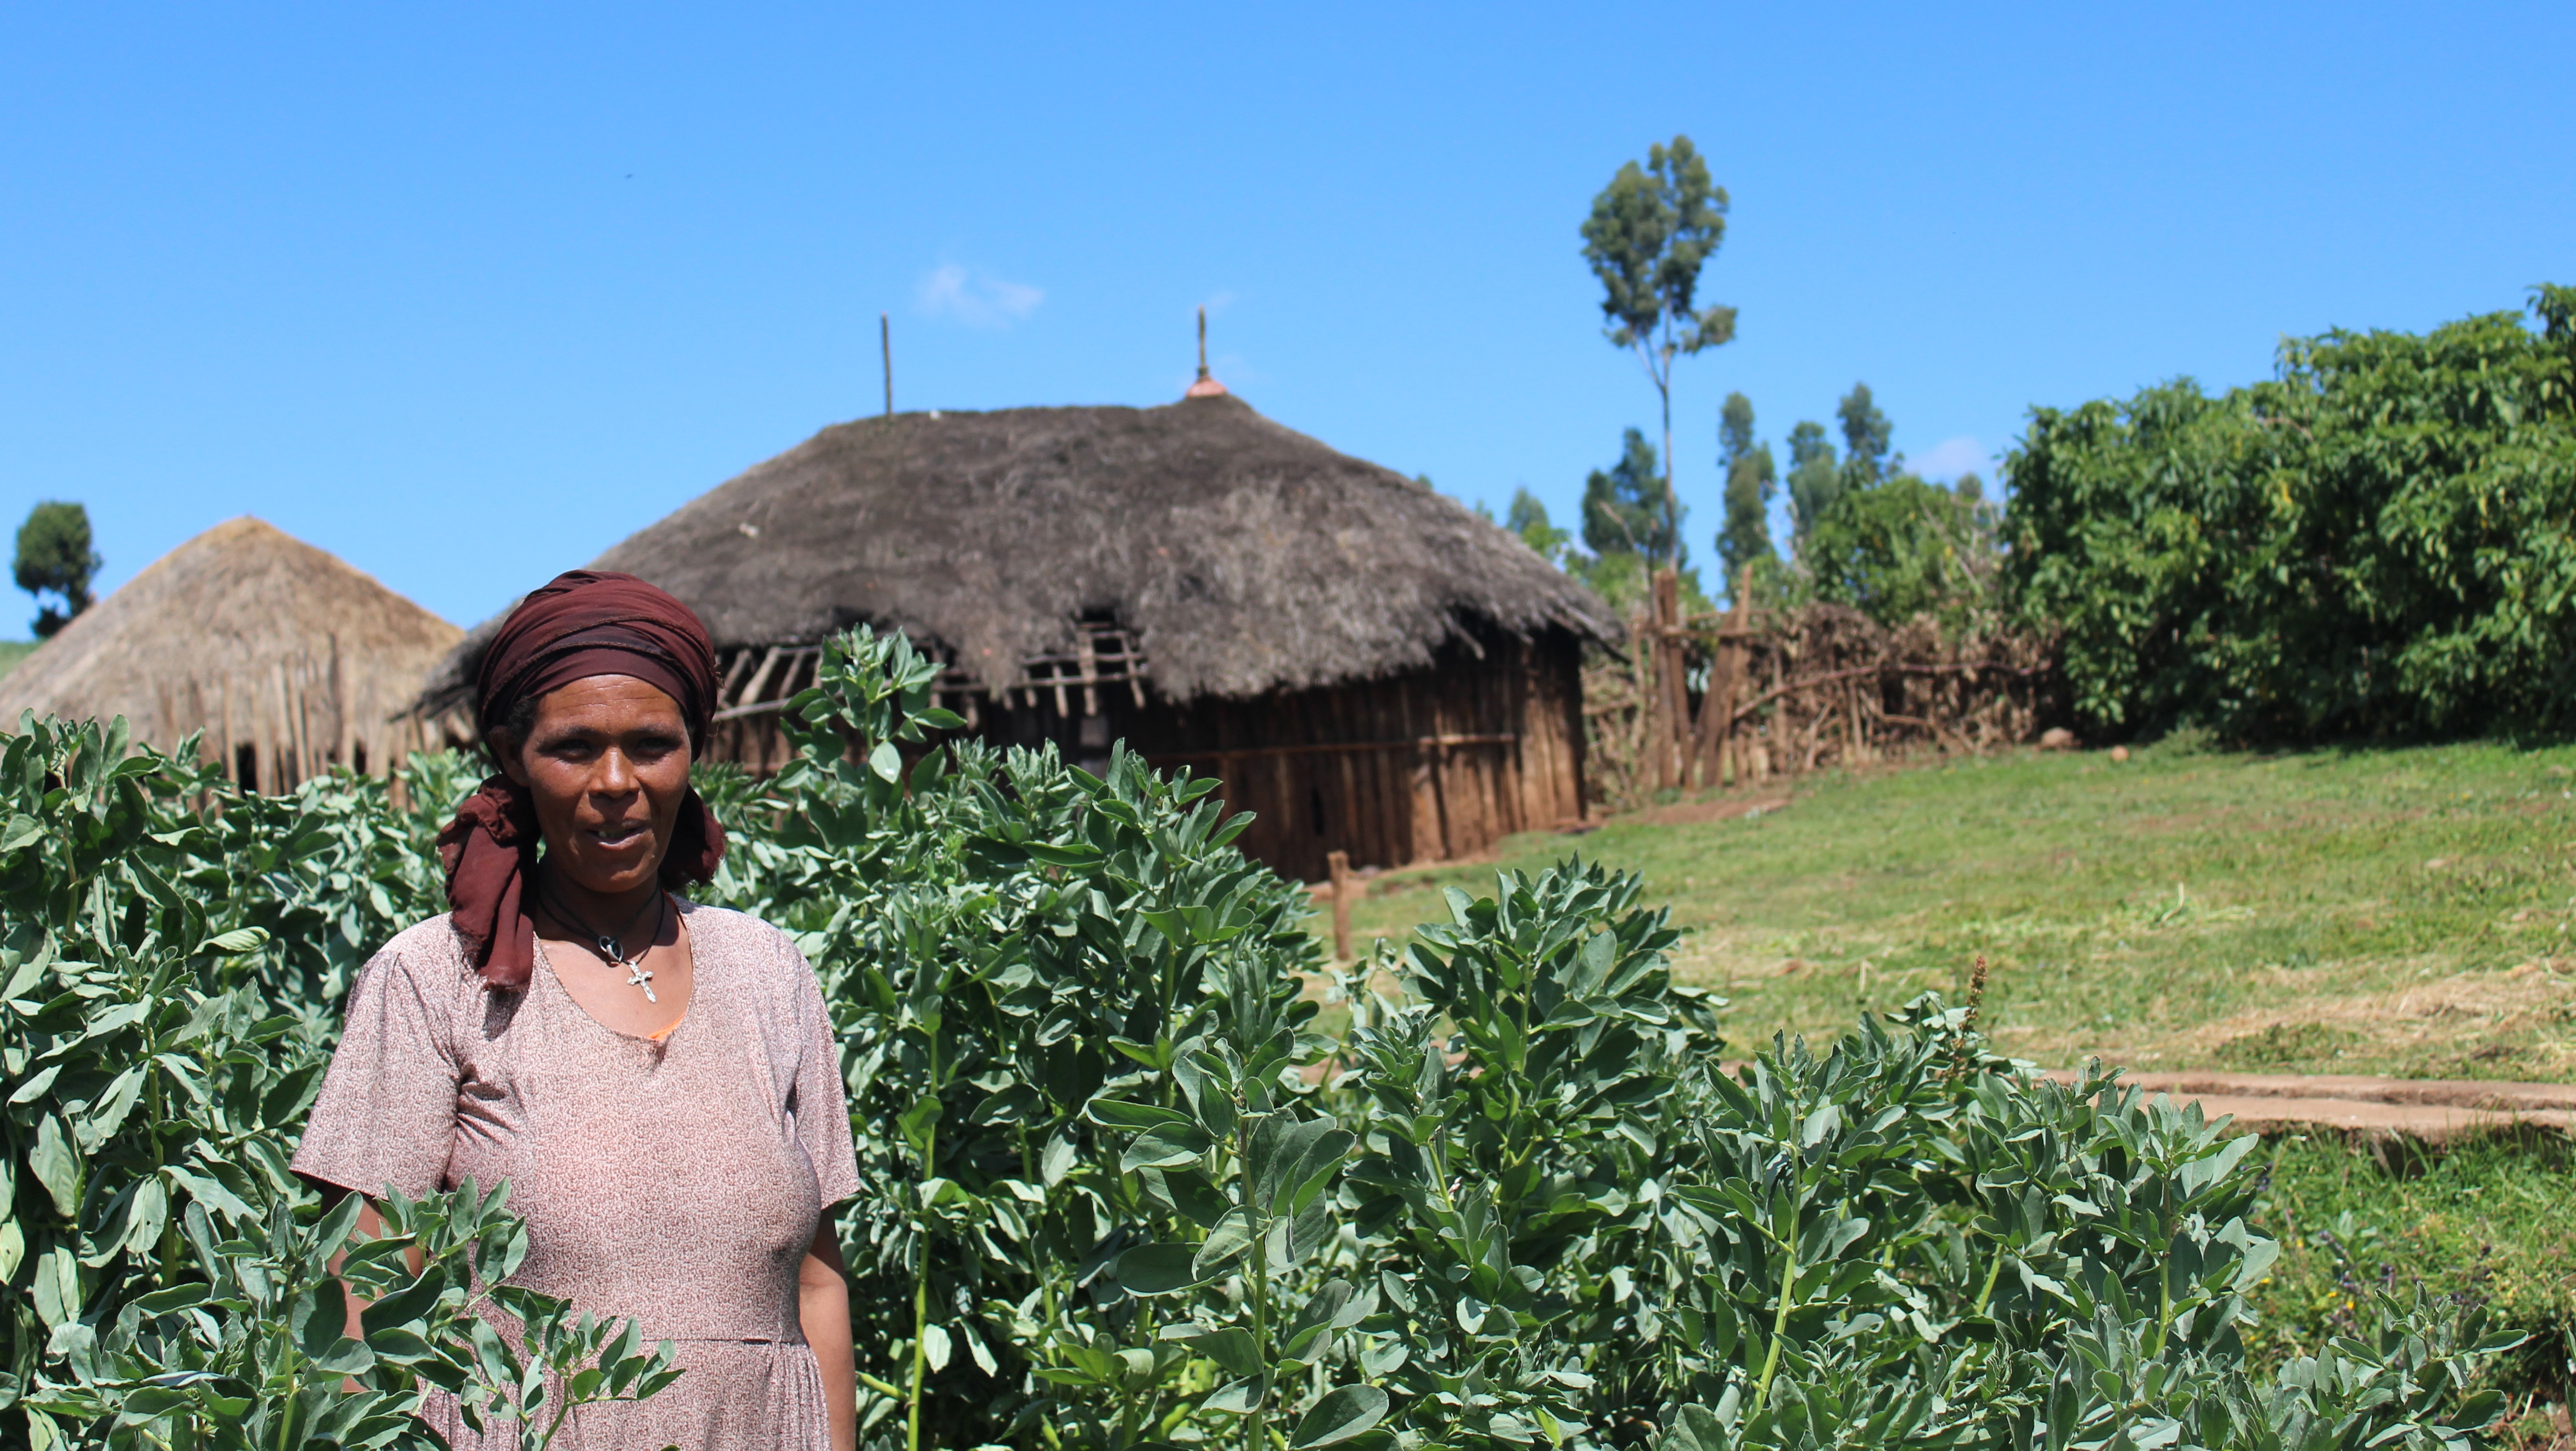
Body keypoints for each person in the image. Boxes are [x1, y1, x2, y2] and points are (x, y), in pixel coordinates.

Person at [291, 570, 861, 1451]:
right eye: (573, 747)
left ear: (692, 751)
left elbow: (819, 1285)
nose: (615, 781)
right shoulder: (434, 979)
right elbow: (358, 1296)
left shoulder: (767, 972)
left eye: (651, 744)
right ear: (513, 755)